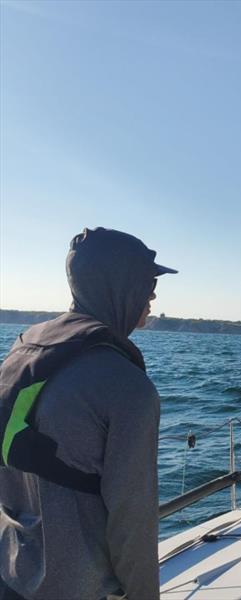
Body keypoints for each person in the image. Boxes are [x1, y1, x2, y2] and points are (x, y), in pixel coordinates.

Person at [0, 227, 176, 600]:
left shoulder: (22, 351)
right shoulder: (127, 387)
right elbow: (133, 519)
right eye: (148, 282)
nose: (153, 295)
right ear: (121, 285)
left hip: (11, 570)